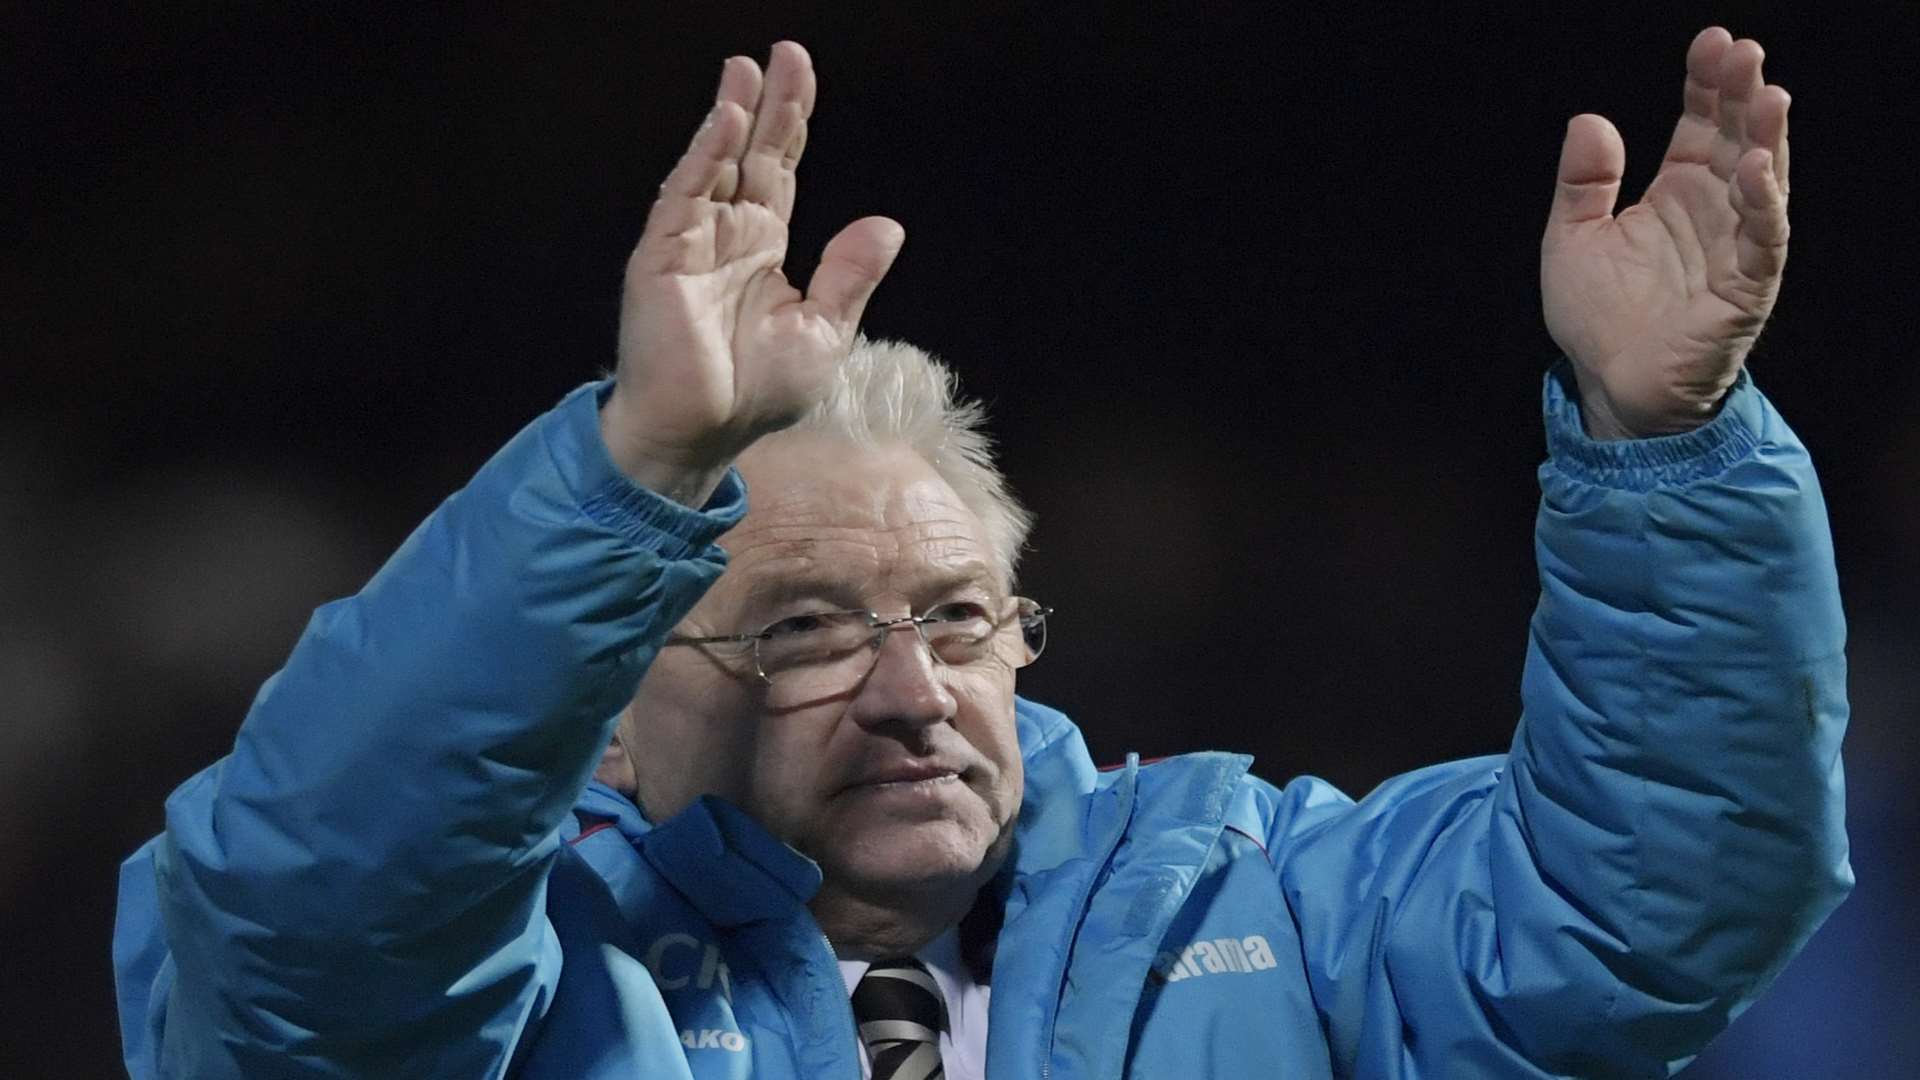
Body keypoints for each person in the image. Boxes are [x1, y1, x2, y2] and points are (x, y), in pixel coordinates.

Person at [113, 26, 1849, 1079]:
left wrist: (1667, 449)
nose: (909, 689)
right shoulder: (520, 964)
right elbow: (304, 923)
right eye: (799, 630)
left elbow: (1655, 895)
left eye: (958, 617)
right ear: (610, 718)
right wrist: (637, 462)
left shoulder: (1262, 902)